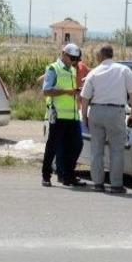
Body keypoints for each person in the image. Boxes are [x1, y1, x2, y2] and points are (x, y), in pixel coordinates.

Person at [79, 45, 132, 193]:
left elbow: (85, 98)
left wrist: (85, 116)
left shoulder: (94, 72)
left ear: (101, 56)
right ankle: (116, 185)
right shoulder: (124, 70)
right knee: (116, 150)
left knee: (97, 150)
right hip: (116, 112)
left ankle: (98, 183)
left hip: (96, 112)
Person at [40, 43, 85, 187]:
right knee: (52, 146)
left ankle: (68, 176)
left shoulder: (72, 70)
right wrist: (67, 91)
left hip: (72, 117)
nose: (74, 61)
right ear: (63, 54)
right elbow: (46, 91)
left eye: (76, 59)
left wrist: (77, 93)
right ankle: (46, 176)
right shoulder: (53, 68)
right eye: (72, 58)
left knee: (77, 145)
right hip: (58, 115)